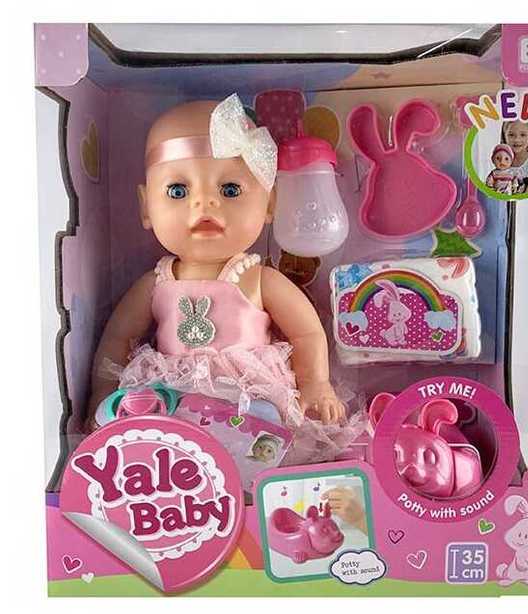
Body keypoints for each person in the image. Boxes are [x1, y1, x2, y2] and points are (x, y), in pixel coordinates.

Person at [87, 94, 363, 464]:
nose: (204, 203)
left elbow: (307, 332)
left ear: (269, 203)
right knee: (167, 457)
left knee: (267, 455)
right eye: (178, 191)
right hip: (173, 399)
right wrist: (103, 394)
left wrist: (315, 384)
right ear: (146, 206)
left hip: (250, 398)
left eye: (229, 190)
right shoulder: (156, 283)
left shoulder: (258, 279)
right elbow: (118, 339)